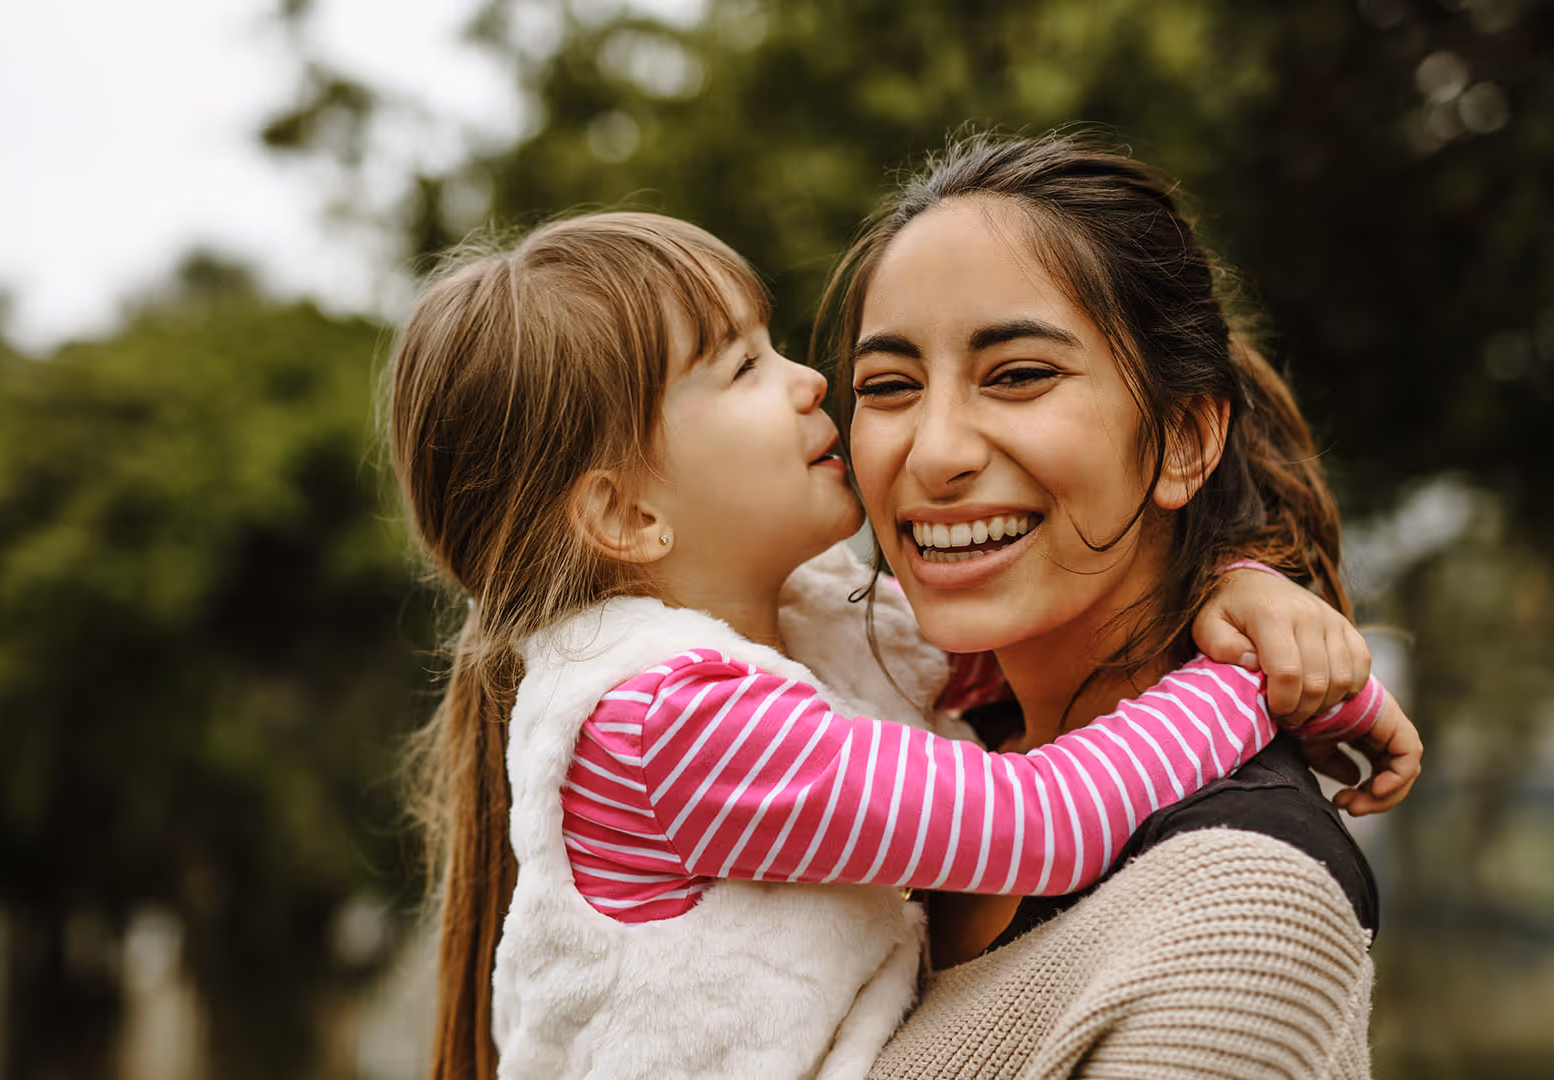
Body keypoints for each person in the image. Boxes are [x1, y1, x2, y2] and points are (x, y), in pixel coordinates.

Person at [384, 211, 1416, 1079]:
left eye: (1016, 374)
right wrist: (1251, 679)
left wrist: (1250, 591)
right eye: (742, 368)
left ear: (1185, 436)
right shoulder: (672, 722)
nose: (808, 384)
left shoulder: (810, 627)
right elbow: (1041, 820)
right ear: (626, 515)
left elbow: (1050, 638)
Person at [818, 133, 1424, 1078]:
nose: (933, 454)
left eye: (1019, 374)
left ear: (1184, 439)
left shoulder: (1240, 910)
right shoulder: (903, 740)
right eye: (888, 387)